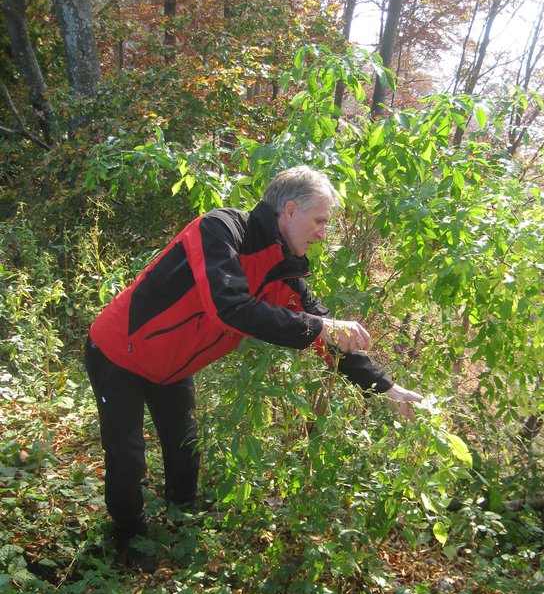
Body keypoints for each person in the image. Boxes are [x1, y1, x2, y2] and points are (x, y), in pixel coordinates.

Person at [85, 166, 423, 568]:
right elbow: (230, 307)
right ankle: (129, 537)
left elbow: (326, 339)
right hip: (118, 351)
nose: (322, 232)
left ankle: (183, 519)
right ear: (290, 211)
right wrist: (319, 325)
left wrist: (386, 387)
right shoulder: (220, 230)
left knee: (184, 447)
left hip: (171, 367)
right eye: (319, 221)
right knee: (127, 454)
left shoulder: (286, 270)